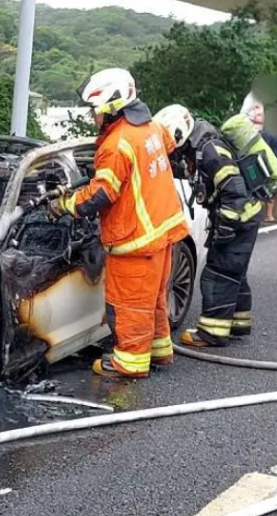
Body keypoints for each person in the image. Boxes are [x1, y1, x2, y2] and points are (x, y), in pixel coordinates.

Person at [47, 68, 190, 379]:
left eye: (94, 110)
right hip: (163, 231)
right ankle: (159, 349)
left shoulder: (116, 144)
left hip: (136, 239)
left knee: (129, 305)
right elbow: (167, 146)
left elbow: (101, 195)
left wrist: (64, 206)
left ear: (111, 107)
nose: (92, 116)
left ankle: (131, 362)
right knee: (152, 300)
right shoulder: (149, 127)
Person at [154, 104, 265, 347]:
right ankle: (238, 321)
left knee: (218, 273)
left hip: (239, 217)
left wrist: (225, 226)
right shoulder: (199, 147)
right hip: (246, 215)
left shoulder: (210, 150)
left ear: (178, 133)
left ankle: (212, 332)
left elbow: (234, 190)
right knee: (235, 271)